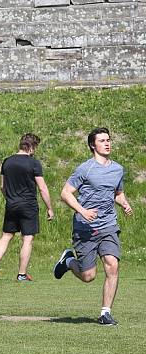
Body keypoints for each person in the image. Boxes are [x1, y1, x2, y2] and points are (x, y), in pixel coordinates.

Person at [53, 127, 133, 326]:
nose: (107, 143)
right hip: (85, 228)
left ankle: (105, 313)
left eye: (108, 140)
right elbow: (65, 193)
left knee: (112, 265)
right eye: (102, 140)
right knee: (88, 276)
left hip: (108, 225)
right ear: (92, 145)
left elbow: (116, 192)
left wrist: (124, 203)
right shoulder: (85, 169)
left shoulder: (117, 169)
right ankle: (69, 261)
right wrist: (82, 211)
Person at [0, 133, 55, 281]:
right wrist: (49, 208)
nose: (35, 151)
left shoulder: (7, 162)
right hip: (28, 205)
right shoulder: (33, 163)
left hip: (11, 205)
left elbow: (2, 187)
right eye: (35, 147)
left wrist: (10, 199)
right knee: (27, 239)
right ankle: (21, 274)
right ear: (30, 147)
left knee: (6, 236)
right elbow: (42, 188)